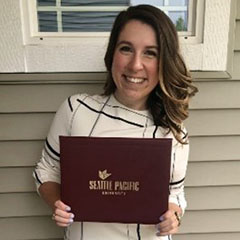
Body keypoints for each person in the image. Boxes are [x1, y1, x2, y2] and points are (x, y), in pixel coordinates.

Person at [33, 4, 198, 240]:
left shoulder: (173, 130)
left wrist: (175, 216)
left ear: (164, 63)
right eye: (126, 49)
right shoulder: (76, 110)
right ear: (112, 54)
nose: (135, 65)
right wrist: (57, 203)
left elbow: (176, 194)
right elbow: (45, 169)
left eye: (150, 52)